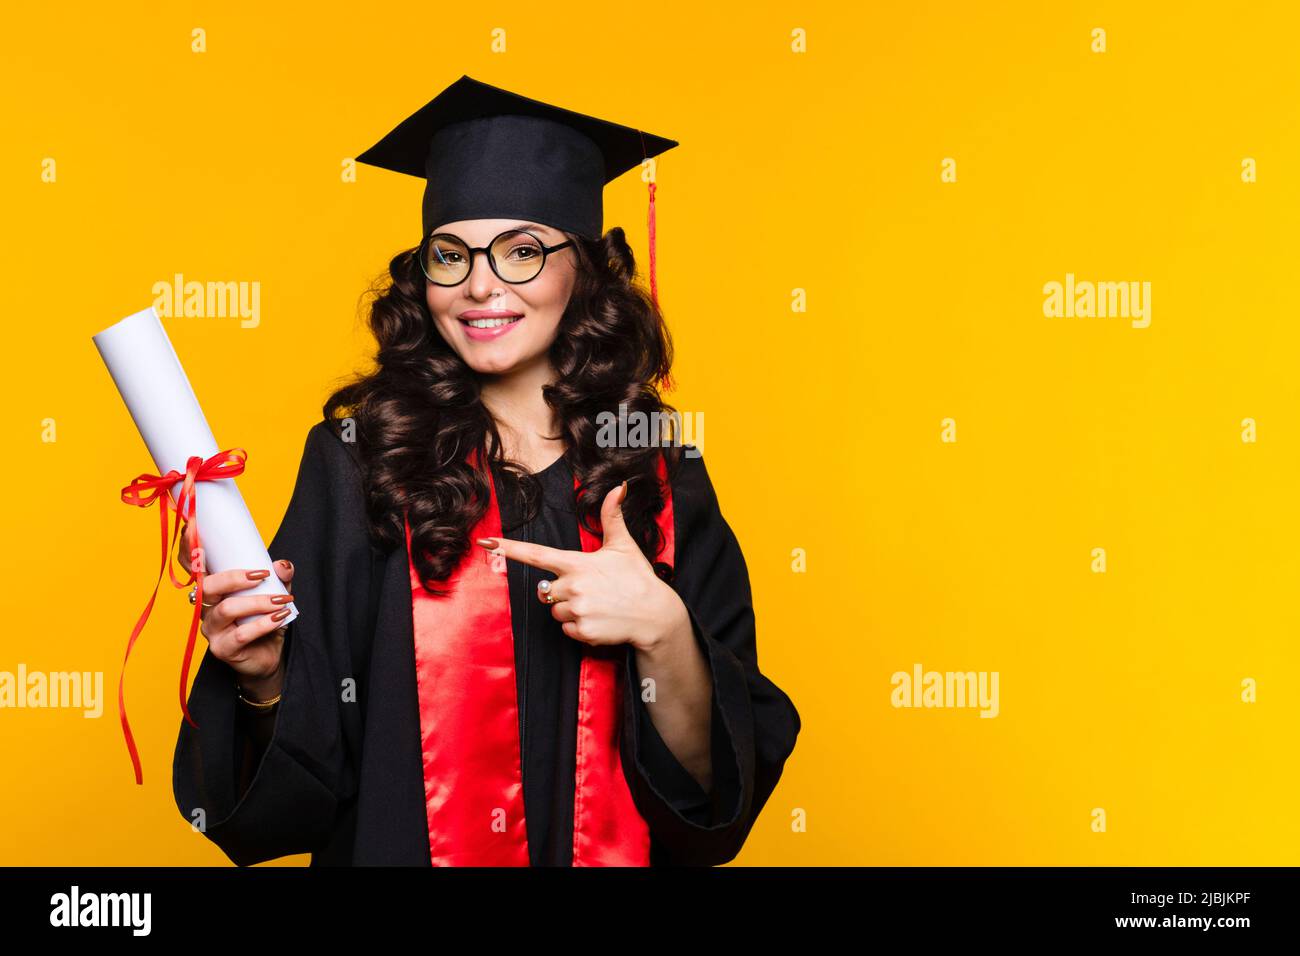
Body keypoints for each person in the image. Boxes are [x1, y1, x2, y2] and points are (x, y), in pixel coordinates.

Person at [172, 75, 800, 866]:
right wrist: (264, 678)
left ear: (588, 269)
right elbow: (301, 791)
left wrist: (663, 630)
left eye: (523, 251)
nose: (480, 284)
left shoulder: (658, 467)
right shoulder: (359, 459)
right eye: (451, 254)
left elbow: (713, 800)